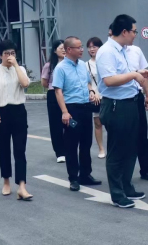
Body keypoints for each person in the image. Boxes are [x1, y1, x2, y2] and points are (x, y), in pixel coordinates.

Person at [97, 14, 148, 209]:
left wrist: (138, 74)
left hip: (131, 102)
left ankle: (127, 186)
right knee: (117, 150)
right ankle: (117, 193)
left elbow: (124, 74)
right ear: (125, 31)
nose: (135, 35)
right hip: (116, 105)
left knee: (131, 147)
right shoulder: (107, 51)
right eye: (134, 31)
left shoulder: (125, 50)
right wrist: (134, 75)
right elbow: (109, 80)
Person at [53, 36, 103, 191]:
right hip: (71, 109)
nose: (82, 50)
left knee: (86, 143)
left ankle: (85, 175)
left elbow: (88, 82)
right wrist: (64, 112)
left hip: (85, 107)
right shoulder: (60, 68)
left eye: (82, 47)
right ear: (69, 50)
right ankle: (73, 178)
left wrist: (92, 91)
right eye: (79, 47)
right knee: (71, 145)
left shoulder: (82, 65)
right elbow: (58, 91)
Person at [0, 39, 33, 200]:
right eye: (6, 53)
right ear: (0, 55)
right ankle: (6, 181)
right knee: (3, 149)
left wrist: (16, 66)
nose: (10, 56)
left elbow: (25, 84)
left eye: (13, 53)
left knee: (20, 150)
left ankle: (22, 186)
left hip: (18, 111)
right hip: (0, 112)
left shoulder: (20, 69)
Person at [125, 42, 148, 181]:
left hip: (137, 96)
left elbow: (144, 76)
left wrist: (147, 95)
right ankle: (125, 173)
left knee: (142, 134)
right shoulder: (110, 51)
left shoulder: (136, 50)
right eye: (133, 32)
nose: (133, 35)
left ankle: (146, 170)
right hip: (122, 99)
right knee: (125, 137)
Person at [41, 40, 67, 162]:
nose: (63, 50)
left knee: (70, 122)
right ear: (55, 51)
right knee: (56, 123)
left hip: (68, 95)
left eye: (65, 48)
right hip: (53, 94)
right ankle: (59, 152)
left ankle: (69, 149)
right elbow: (44, 82)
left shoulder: (70, 63)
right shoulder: (49, 65)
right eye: (61, 48)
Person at [85, 37, 106, 158]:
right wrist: (92, 92)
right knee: (97, 123)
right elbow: (87, 82)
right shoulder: (86, 64)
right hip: (95, 97)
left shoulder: (106, 61)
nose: (91, 49)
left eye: (94, 46)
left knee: (111, 123)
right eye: (89, 47)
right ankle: (101, 149)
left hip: (108, 95)